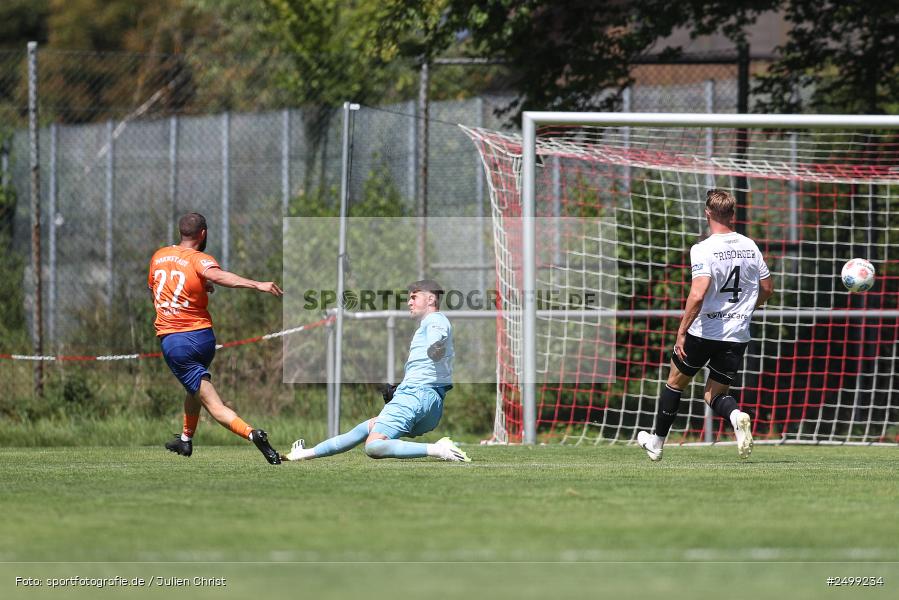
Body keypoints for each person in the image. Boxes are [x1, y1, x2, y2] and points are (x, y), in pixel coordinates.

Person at [637, 189, 775, 461]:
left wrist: (681, 332)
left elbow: (698, 293)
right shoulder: (750, 246)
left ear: (707, 213)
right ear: (733, 215)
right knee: (715, 394)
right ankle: (735, 415)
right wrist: (748, 307)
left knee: (675, 383)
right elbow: (768, 288)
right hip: (737, 334)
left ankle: (657, 443)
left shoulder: (703, 249)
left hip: (703, 332)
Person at [149, 212, 284, 464]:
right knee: (194, 388)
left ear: (181, 233)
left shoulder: (158, 257)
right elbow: (218, 276)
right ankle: (185, 440)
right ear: (203, 234)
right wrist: (257, 284)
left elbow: (157, 291)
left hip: (176, 342)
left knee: (214, 405)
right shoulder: (200, 260)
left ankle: (254, 434)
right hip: (203, 339)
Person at [284, 279, 470, 463]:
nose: (409, 302)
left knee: (374, 446)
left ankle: (438, 449)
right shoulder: (430, 323)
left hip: (416, 395)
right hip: (429, 403)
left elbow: (436, 340)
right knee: (365, 428)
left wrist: (434, 347)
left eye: (414, 297)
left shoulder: (434, 319)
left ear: (430, 300)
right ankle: (303, 453)